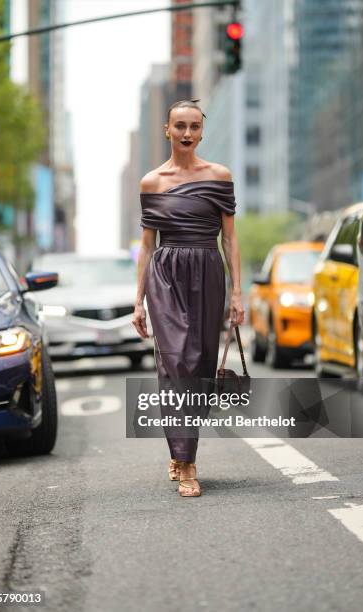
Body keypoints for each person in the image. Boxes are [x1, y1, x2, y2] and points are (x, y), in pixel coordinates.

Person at [132, 99, 244, 497]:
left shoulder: (219, 176)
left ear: (201, 131)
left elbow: (229, 238)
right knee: (175, 361)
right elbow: (146, 246)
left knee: (198, 364)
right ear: (167, 129)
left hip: (208, 271)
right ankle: (188, 463)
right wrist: (138, 300)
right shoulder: (151, 181)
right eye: (179, 125)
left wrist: (238, 294)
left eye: (194, 126)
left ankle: (181, 451)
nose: (187, 133)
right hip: (166, 274)